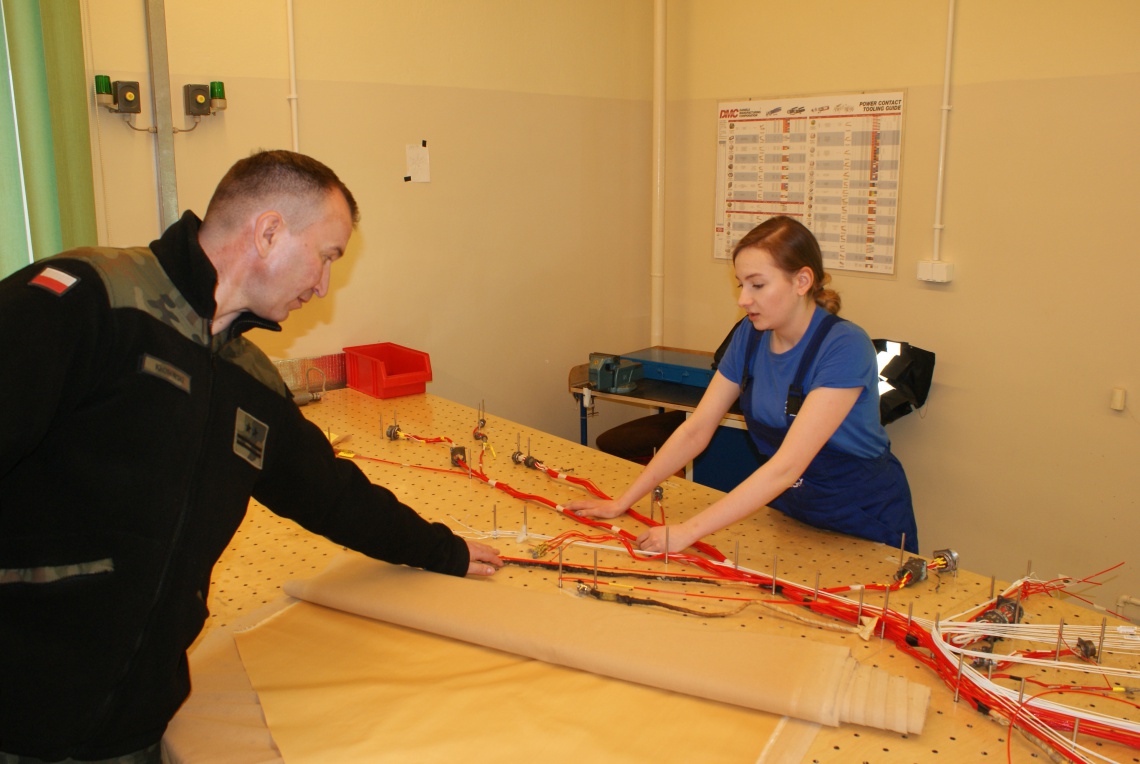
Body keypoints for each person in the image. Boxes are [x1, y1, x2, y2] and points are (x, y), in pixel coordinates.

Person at [0, 150, 502, 763]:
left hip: (132, 730)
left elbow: (332, 495)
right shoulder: (91, 303)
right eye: (327, 257)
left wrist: (443, 551)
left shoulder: (249, 381)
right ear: (268, 232)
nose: (323, 286)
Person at [569, 215, 918, 556]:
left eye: (758, 285)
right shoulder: (749, 336)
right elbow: (695, 431)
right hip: (797, 510)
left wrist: (687, 531)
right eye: (741, 285)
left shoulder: (845, 346)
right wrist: (622, 502)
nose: (743, 300)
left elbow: (786, 467)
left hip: (864, 517)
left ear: (802, 281)